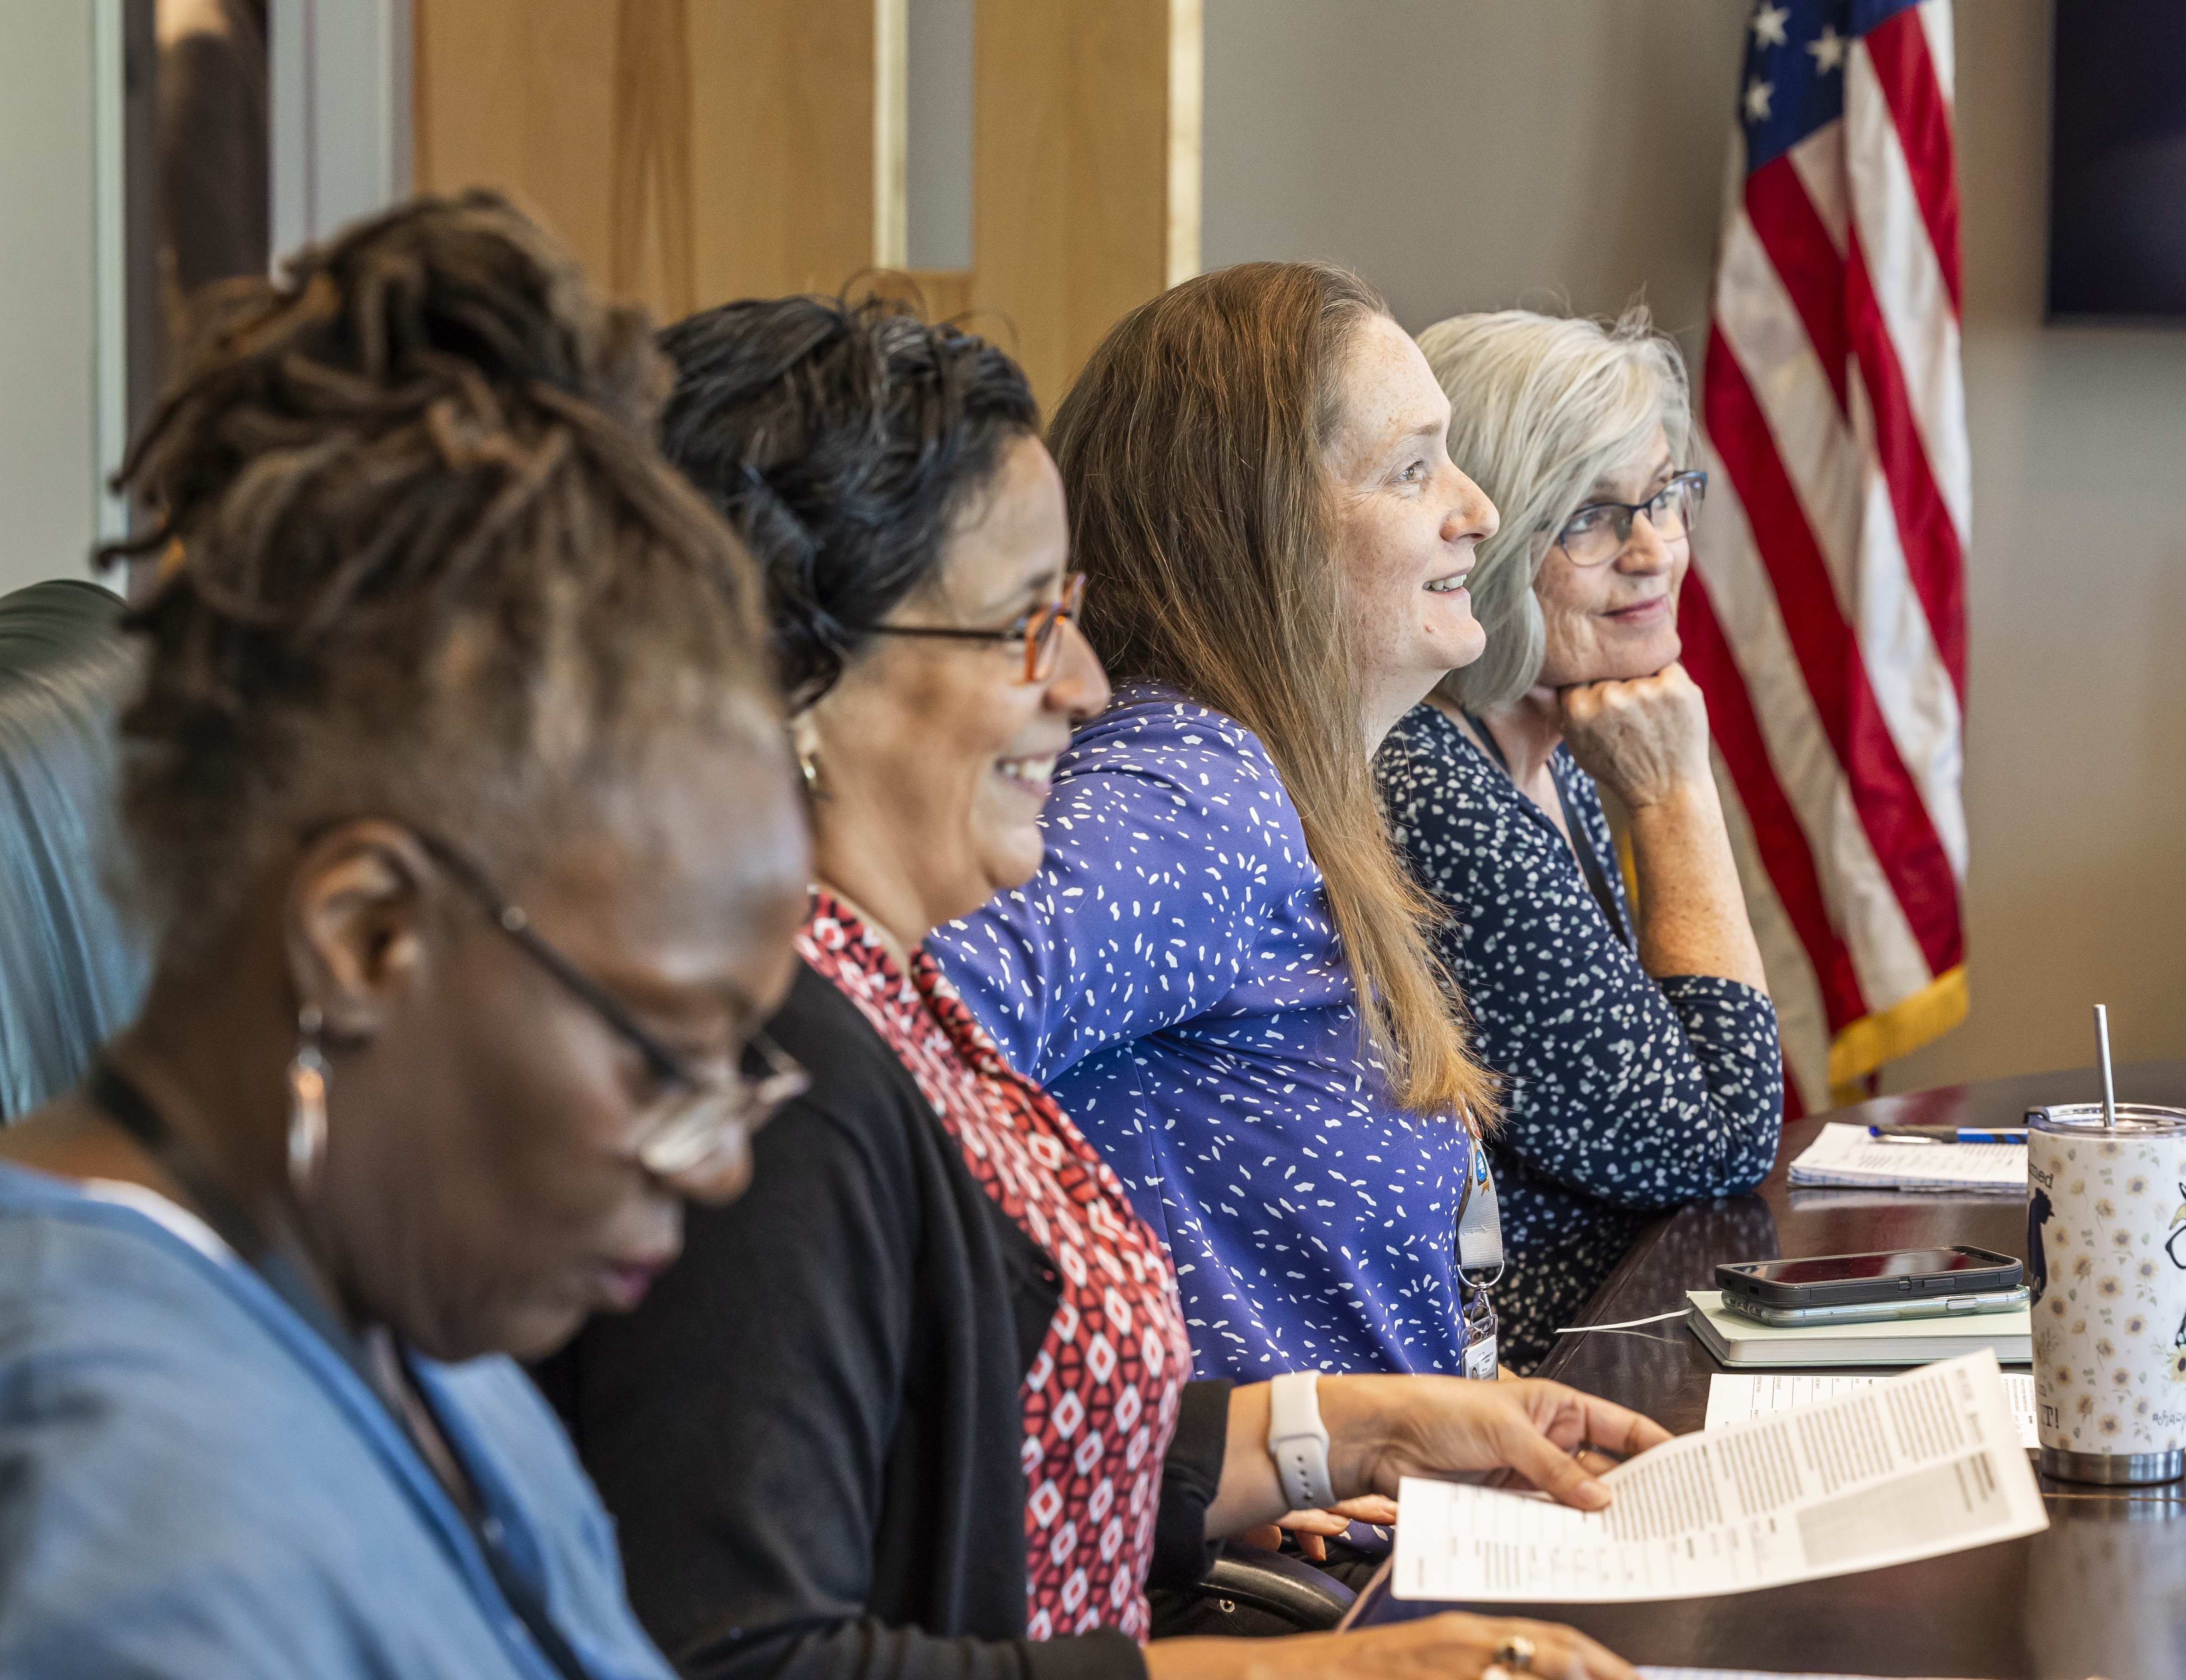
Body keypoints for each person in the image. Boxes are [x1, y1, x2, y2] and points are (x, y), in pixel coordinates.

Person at [0, 192, 816, 1680]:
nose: (723, 1155)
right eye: (665, 1058)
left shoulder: (411, 1339)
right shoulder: (99, 1519)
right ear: (368, 936)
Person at [544, 294, 1655, 1680]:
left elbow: (961, 1446)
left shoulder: (885, 1005)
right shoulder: (789, 1073)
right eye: (1023, 626)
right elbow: (756, 1662)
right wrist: (1310, 1676)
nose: (1080, 684)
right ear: (802, 679)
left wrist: (1328, 1434)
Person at [928, 263, 1505, 1385]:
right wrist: (1183, 1453)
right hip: (1252, 1556)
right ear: (1261, 531)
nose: (1476, 510)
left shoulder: (1279, 784)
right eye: (1409, 469)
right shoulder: (1196, 794)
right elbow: (898, 1033)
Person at [1375, 308, 1781, 1371]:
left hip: (1637, 1328)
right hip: (1540, 1373)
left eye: (1663, 497)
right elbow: (1718, 1137)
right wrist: (1680, 794)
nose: (1653, 551)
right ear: (1489, 538)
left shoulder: (1564, 743)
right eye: (1593, 516)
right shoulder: (1430, 783)